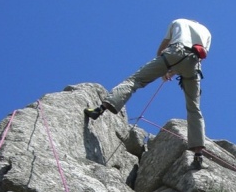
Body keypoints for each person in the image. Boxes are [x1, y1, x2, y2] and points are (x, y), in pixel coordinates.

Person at [84, 18, 212, 170]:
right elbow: (203, 55)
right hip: (194, 63)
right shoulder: (207, 32)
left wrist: (164, 68)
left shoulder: (179, 21)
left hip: (174, 51)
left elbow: (164, 46)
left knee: (135, 80)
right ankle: (198, 153)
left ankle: (102, 108)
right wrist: (174, 71)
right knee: (194, 108)